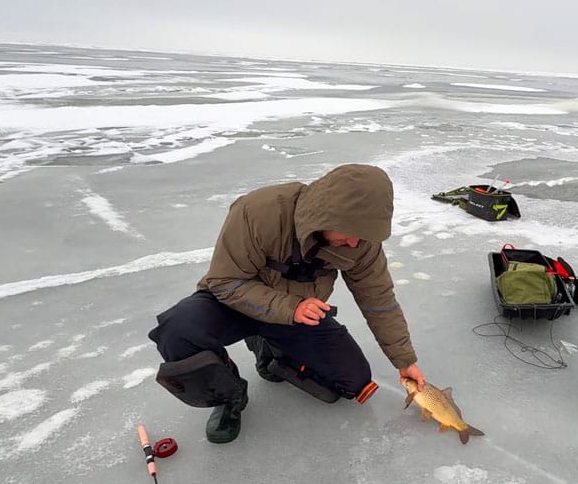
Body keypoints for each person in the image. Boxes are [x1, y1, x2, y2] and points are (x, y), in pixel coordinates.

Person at [149, 164, 426, 443]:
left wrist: (404, 360)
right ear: (328, 213)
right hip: (233, 302)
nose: (354, 242)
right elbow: (225, 281)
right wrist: (290, 308)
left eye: (363, 234)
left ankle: (270, 351)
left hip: (296, 317)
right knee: (178, 332)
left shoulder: (361, 242)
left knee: (351, 382)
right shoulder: (258, 212)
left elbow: (378, 299)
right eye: (349, 230)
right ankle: (229, 397)